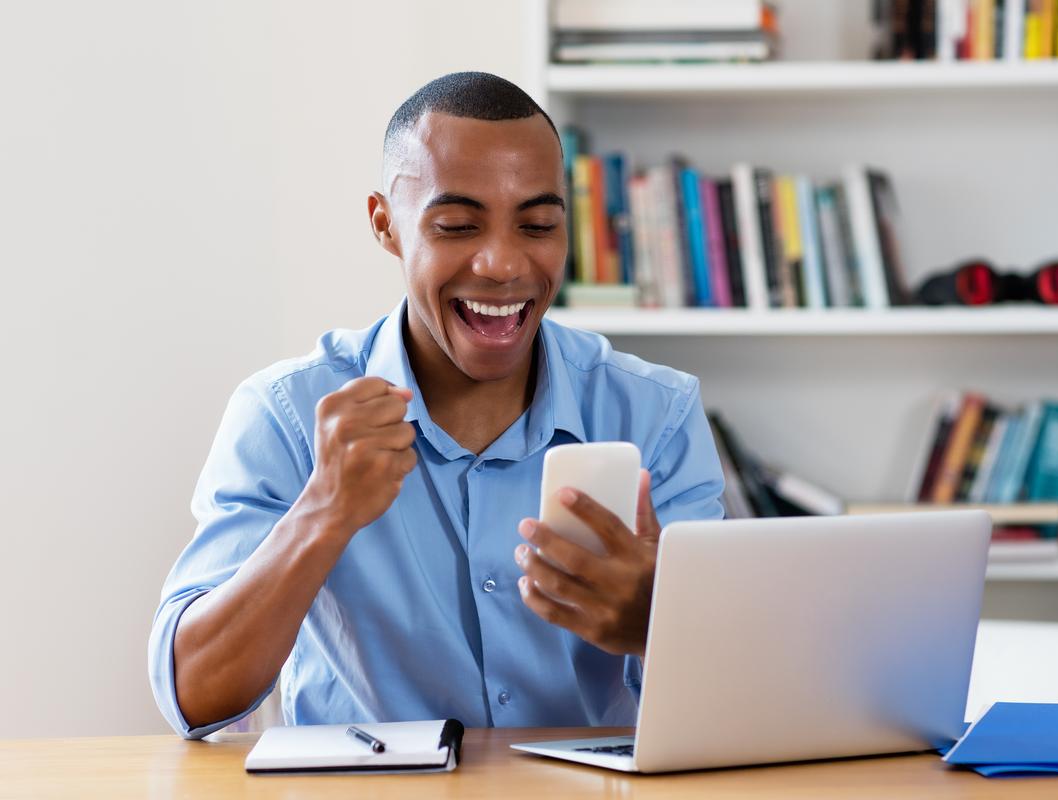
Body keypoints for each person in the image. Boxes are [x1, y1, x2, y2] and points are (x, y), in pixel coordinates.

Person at [149, 72, 724, 738]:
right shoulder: (285, 413)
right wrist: (323, 512)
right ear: (385, 225)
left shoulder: (658, 415)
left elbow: (738, 710)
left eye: (537, 225)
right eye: (455, 225)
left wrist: (658, 621)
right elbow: (194, 698)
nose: (503, 264)